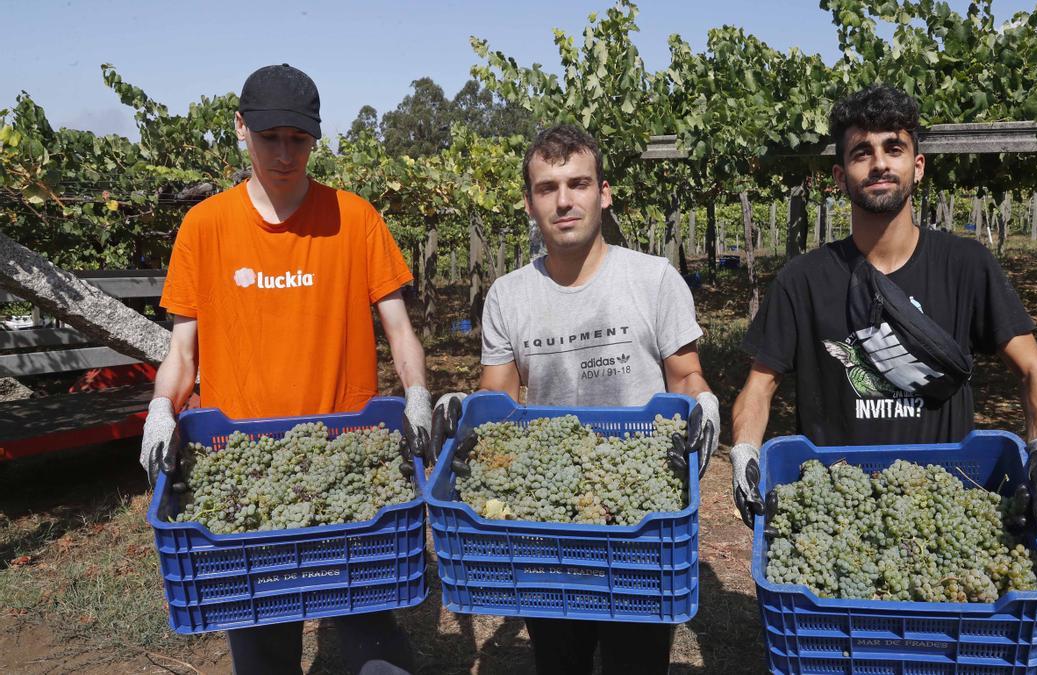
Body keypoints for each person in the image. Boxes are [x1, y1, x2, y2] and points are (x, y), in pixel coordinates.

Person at [138, 64, 430, 675]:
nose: (283, 154)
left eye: (298, 140)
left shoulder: (355, 218)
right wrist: (162, 410)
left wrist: (418, 393)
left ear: (315, 138)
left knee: (370, 632)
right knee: (264, 644)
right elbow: (183, 351)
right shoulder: (205, 228)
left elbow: (399, 327)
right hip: (244, 466)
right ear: (241, 128)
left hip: (350, 456)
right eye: (269, 138)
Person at [433, 124, 720, 675]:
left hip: (640, 524)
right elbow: (499, 401)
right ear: (529, 203)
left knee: (637, 662)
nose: (564, 201)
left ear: (603, 193)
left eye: (578, 183)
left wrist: (702, 403)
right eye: (547, 188)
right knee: (558, 659)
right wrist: (463, 409)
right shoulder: (508, 295)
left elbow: (685, 377)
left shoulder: (654, 280)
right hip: (548, 528)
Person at [729, 84, 1037, 528]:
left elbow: (1034, 371)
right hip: (836, 514)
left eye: (894, 148)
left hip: (942, 509)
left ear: (917, 166)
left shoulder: (966, 266)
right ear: (839, 176)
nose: (880, 163)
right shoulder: (803, 281)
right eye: (861, 153)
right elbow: (759, 387)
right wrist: (745, 453)